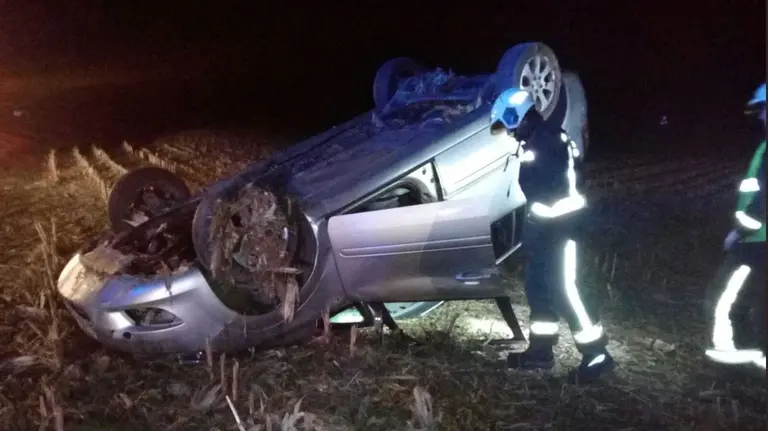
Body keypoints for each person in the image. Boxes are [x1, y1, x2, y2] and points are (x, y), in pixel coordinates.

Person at [489, 88, 614, 384]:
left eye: (509, 126)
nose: (509, 133)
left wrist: (538, 221)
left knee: (566, 291)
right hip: (546, 232)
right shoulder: (536, 141)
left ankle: (597, 355)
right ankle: (540, 352)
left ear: (518, 117)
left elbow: (561, 193)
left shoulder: (549, 140)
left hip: (564, 230)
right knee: (538, 288)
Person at [704, 83, 766, 370]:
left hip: (756, 243)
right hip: (758, 240)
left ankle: (733, 361)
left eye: (764, 109)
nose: (761, 116)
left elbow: (761, 202)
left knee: (725, 300)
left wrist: (739, 233)